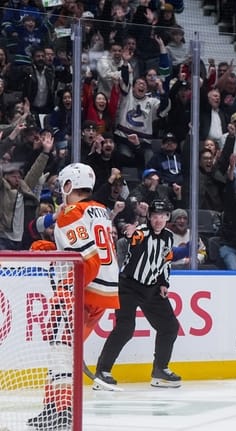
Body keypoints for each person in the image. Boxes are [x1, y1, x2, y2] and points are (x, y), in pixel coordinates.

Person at [26, 162, 121, 429]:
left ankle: (63, 410)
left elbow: (88, 260)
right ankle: (52, 407)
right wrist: (48, 248)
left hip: (82, 290)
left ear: (69, 186)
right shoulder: (100, 210)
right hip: (103, 293)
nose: (60, 193)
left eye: (62, 187)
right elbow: (81, 251)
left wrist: (69, 291)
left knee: (62, 353)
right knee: (61, 351)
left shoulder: (72, 213)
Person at [94, 199, 182, 390]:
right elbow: (131, 239)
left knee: (170, 327)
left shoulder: (168, 236)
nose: (159, 220)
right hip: (129, 286)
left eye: (163, 216)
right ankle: (102, 371)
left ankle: (160, 369)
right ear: (149, 217)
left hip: (152, 288)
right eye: (155, 216)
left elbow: (165, 262)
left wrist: (164, 283)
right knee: (125, 328)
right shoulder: (140, 233)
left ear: (168, 218)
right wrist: (129, 232)